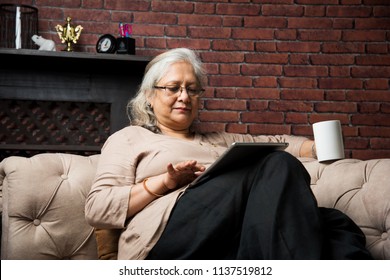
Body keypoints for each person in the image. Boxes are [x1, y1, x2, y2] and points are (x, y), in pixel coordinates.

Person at [85, 48, 372, 260]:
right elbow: (98, 208)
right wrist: (164, 183)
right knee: (276, 164)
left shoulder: (217, 138)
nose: (184, 97)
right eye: (173, 88)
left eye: (192, 90)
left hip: (228, 233)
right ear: (149, 95)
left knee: (335, 222)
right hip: (163, 238)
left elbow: (275, 140)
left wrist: (314, 147)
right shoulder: (129, 138)